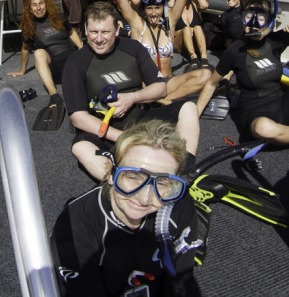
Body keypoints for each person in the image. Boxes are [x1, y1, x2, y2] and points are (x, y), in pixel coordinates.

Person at [52, 120, 203, 296]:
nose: (145, 199)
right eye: (132, 176)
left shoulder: (178, 203)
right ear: (110, 172)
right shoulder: (75, 224)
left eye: (162, 182)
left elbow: (180, 278)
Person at [61, 2, 201, 181]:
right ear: (85, 30)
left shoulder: (133, 48)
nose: (98, 38)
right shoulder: (75, 62)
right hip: (105, 131)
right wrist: (124, 137)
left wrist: (132, 97)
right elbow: (78, 117)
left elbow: (161, 88)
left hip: (142, 121)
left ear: (117, 29)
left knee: (188, 107)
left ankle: (184, 170)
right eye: (93, 32)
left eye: (105, 32)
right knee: (80, 148)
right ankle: (119, 184)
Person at [195, 0, 289, 145]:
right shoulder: (235, 51)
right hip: (256, 115)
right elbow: (211, 84)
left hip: (283, 105)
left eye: (260, 18)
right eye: (249, 16)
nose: (254, 23)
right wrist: (196, 115)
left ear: (268, 21)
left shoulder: (275, 40)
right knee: (263, 128)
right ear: (242, 18)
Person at [85, 0, 213, 102]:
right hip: (147, 85)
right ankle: (161, 101)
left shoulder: (169, 23)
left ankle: (164, 101)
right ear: (144, 10)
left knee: (205, 75)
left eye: (157, 8)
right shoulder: (138, 25)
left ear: (162, 9)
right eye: (149, 8)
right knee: (159, 91)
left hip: (167, 82)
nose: (153, 13)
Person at [9, 0, 83, 130]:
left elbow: (72, 32)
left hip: (72, 62)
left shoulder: (59, 17)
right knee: (38, 52)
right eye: (34, 5)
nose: (38, 8)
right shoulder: (29, 27)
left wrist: (81, 49)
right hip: (54, 67)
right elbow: (25, 49)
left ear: (47, 4)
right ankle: (53, 95)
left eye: (41, 3)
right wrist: (22, 70)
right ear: (29, 9)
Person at [168, 0, 211, 69]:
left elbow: (205, 5)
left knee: (198, 27)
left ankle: (204, 57)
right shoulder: (175, 7)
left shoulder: (194, 4)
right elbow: (168, 8)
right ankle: (193, 57)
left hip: (194, 42)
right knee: (186, 29)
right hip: (179, 44)